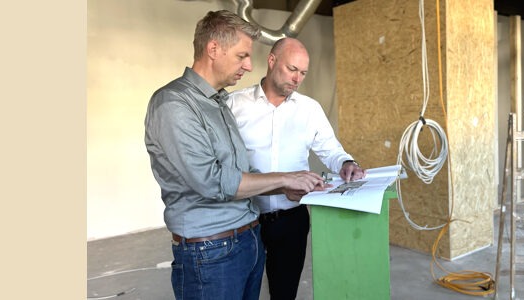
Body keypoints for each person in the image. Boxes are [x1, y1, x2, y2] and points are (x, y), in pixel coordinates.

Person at [144, 11, 326, 300]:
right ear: (213, 49)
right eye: (242, 56)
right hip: (210, 252)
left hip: (245, 241)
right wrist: (286, 178)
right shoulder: (174, 104)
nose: (248, 66)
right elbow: (213, 181)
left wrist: (286, 186)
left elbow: (237, 171)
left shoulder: (219, 103)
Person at [226, 37, 366, 300]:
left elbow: (330, 148)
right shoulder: (234, 106)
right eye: (292, 69)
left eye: (303, 73)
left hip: (292, 220)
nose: (297, 78)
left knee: (285, 292)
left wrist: (347, 163)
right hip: (246, 219)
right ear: (271, 61)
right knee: (242, 292)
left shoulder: (309, 109)